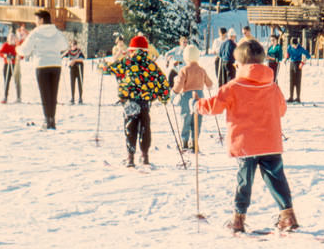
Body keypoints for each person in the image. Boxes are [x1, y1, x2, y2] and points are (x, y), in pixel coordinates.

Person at [196, 37, 299, 234]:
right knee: (277, 178)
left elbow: (215, 106)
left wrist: (198, 105)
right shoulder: (272, 86)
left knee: (245, 181)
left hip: (245, 144)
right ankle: (288, 215)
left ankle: (238, 219)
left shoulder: (233, 87)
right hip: (270, 142)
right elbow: (282, 109)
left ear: (239, 64)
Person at [101, 34, 171, 165]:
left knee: (130, 127)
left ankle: (130, 157)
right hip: (145, 101)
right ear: (146, 51)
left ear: (132, 50)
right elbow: (162, 81)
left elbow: (109, 69)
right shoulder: (151, 65)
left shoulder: (127, 62)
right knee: (145, 127)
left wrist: (102, 66)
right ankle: (145, 155)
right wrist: (164, 97)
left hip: (129, 100)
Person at [18, 9, 68, 129]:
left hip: (41, 64)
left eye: (36, 19)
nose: (35, 22)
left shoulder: (36, 33)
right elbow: (65, 46)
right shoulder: (56, 32)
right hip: (56, 64)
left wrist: (17, 48)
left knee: (45, 93)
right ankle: (53, 120)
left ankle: (47, 120)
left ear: (41, 20)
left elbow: (25, 50)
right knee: (53, 92)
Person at [172, 43, 213, 151]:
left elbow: (178, 85)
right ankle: (195, 142)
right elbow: (209, 83)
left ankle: (184, 141)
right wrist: (208, 86)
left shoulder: (184, 70)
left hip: (186, 96)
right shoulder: (201, 70)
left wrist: (174, 92)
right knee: (198, 119)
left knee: (185, 118)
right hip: (200, 96)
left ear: (186, 56)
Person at [0, 30, 21, 103]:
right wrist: (5, 55)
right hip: (7, 65)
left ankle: (18, 97)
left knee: (17, 81)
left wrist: (16, 56)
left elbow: (21, 55)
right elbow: (0, 53)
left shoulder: (17, 46)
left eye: (13, 38)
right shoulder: (6, 45)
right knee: (6, 81)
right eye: (10, 38)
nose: (11, 40)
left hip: (15, 65)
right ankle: (5, 97)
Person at [285, 36, 310, 102]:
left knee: (297, 81)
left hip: (298, 64)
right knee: (291, 81)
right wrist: (286, 58)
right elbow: (288, 54)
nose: (295, 46)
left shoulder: (300, 48)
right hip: (292, 63)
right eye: (294, 45)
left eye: (296, 45)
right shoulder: (289, 47)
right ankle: (291, 97)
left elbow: (308, 56)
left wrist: (302, 63)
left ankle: (298, 97)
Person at [63, 34, 85, 103]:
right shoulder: (69, 52)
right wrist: (67, 61)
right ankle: (72, 98)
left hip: (79, 67)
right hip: (72, 68)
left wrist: (74, 60)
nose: (73, 46)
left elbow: (82, 59)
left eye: (75, 45)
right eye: (72, 45)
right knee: (72, 83)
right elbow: (63, 57)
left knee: (80, 83)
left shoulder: (79, 51)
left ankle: (80, 98)